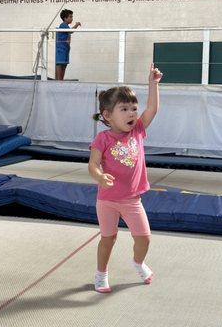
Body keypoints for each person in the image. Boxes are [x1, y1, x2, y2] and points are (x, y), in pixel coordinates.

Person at [88, 64, 163, 293]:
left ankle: (138, 263)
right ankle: (101, 274)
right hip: (107, 199)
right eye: (124, 109)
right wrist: (100, 177)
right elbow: (92, 164)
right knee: (108, 239)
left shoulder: (137, 130)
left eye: (133, 108)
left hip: (132, 199)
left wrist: (153, 84)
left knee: (144, 238)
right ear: (108, 115)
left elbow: (152, 109)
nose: (132, 113)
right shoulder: (103, 139)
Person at [55, 9, 81, 80]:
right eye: (70, 17)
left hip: (65, 50)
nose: (72, 18)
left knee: (63, 67)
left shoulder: (66, 26)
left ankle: (60, 82)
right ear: (65, 18)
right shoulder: (63, 25)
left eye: (72, 17)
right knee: (60, 66)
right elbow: (71, 31)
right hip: (61, 51)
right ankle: (58, 83)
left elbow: (69, 32)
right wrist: (76, 24)